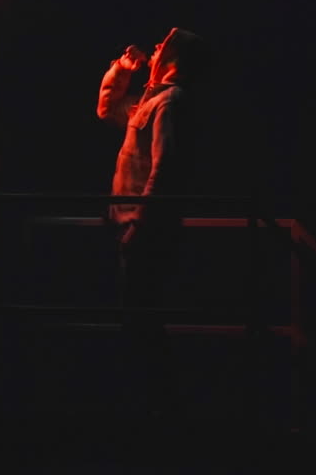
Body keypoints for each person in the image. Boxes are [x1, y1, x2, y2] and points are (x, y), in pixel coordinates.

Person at [97, 26, 210, 417]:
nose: (155, 47)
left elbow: (165, 169)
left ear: (172, 60)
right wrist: (122, 71)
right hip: (131, 228)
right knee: (138, 322)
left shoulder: (171, 102)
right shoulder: (152, 99)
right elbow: (107, 108)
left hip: (143, 233)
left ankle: (155, 412)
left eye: (162, 45)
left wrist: (141, 227)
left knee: (141, 324)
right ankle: (153, 408)